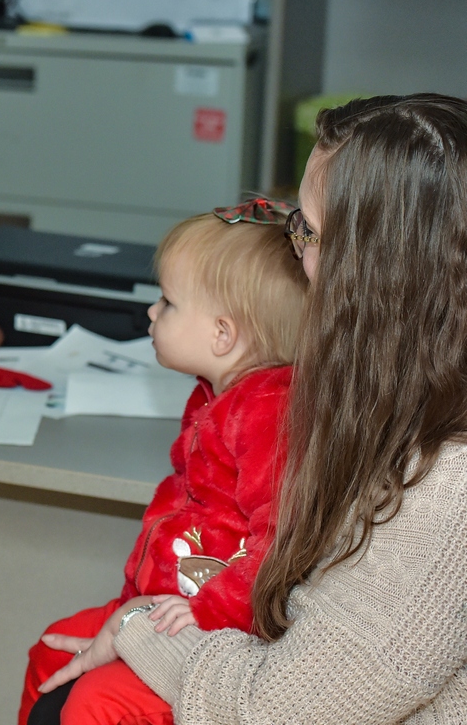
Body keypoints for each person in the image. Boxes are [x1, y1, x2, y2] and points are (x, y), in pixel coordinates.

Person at [43, 94, 467, 723]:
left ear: (381, 271)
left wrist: (136, 625)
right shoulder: (401, 404)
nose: (298, 254)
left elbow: (274, 710)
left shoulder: (445, 491)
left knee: (80, 699)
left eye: (311, 233)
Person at [20, 206, 308, 725]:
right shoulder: (215, 395)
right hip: (162, 607)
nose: (151, 314)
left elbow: (283, 539)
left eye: (168, 303)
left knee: (94, 705)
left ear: (223, 334)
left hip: (215, 626)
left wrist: (208, 610)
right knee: (51, 650)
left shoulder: (269, 411)